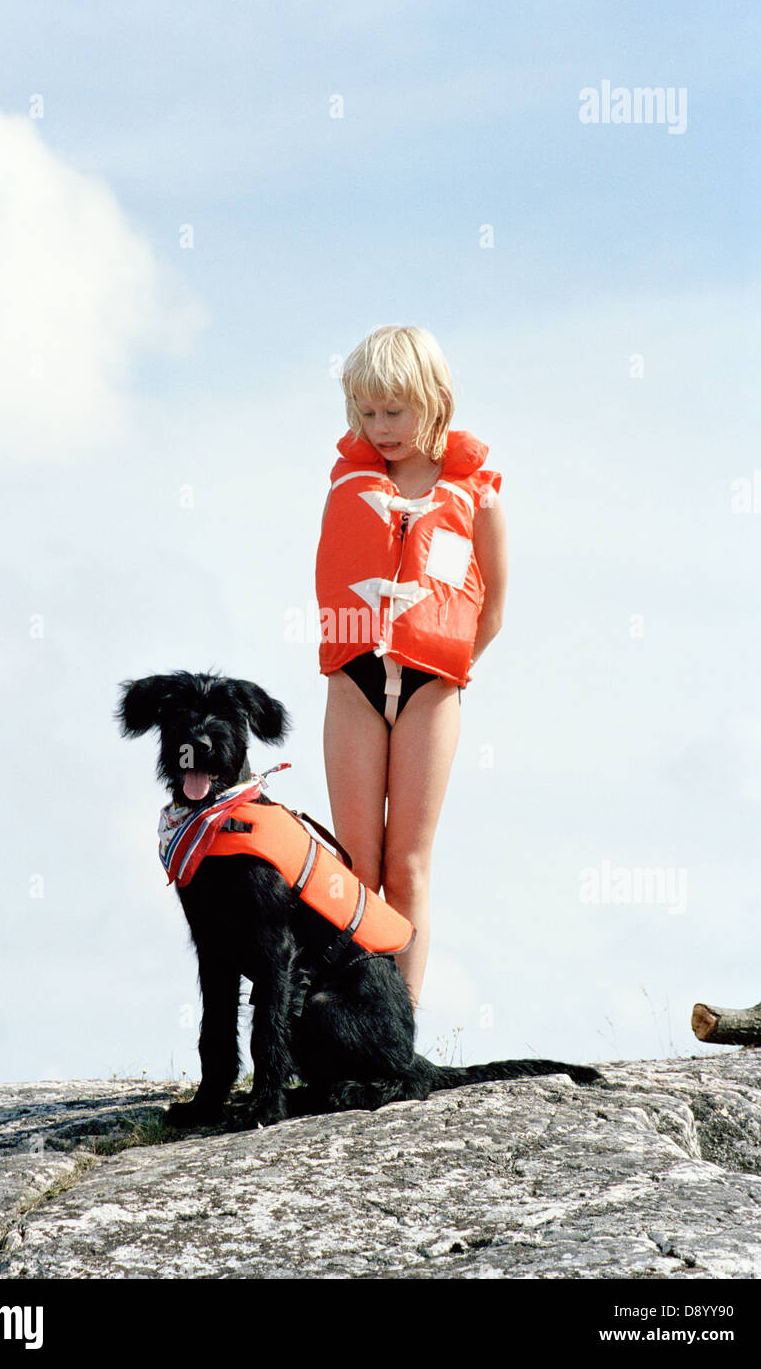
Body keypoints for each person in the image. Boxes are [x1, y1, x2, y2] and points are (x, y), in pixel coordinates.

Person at [315, 325, 508, 1010]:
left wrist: (447, 669)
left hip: (432, 687)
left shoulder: (476, 493)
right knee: (356, 866)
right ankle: (352, 1025)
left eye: (394, 411)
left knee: (408, 866)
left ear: (434, 400)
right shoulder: (352, 481)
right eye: (367, 413)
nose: (380, 426)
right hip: (355, 684)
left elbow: (492, 610)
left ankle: (399, 1030)